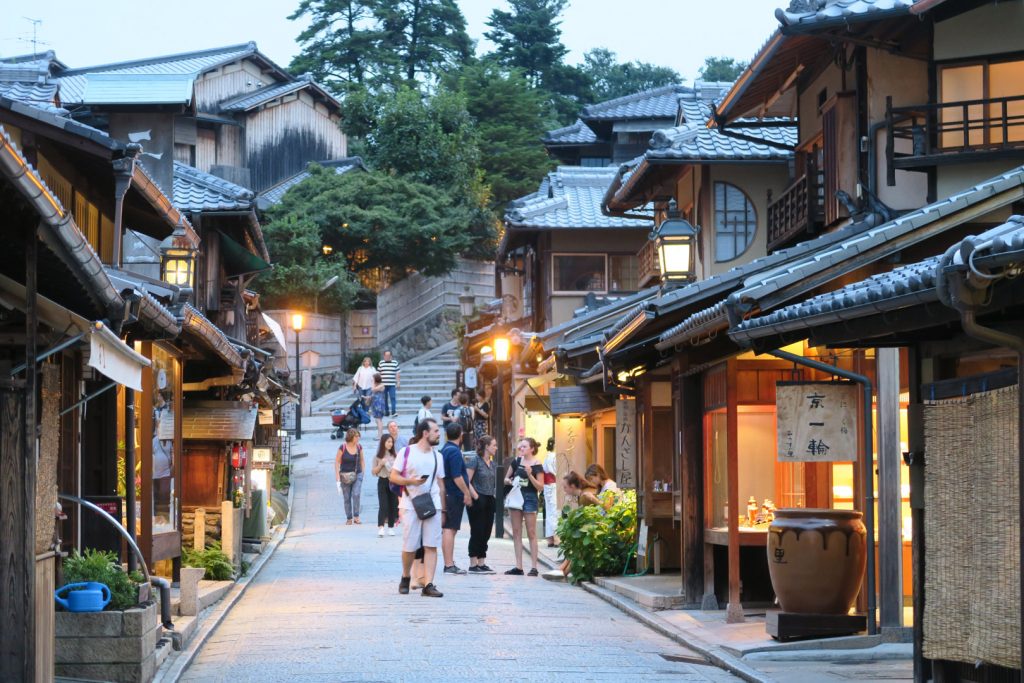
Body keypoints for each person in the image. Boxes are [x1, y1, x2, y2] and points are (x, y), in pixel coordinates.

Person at [389, 418, 445, 598]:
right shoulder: (406, 452)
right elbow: (393, 477)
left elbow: (440, 483)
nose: (439, 434)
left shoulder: (438, 456)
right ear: (425, 433)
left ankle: (428, 584)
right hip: (410, 503)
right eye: (436, 431)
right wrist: (411, 481)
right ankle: (406, 576)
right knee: (410, 545)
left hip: (432, 503)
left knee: (431, 545)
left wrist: (443, 508)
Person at [503, 437, 545, 576]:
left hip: (530, 498)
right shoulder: (516, 461)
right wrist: (509, 481)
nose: (521, 449)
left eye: (524, 447)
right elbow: (506, 478)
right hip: (516, 497)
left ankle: (534, 567)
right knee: (516, 532)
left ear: (532, 449)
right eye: (520, 447)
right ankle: (519, 566)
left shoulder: (537, 464)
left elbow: (540, 487)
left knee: (531, 532)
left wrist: (529, 475)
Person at [440, 423, 478, 575]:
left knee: (448, 529)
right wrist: (467, 493)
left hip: (448, 493)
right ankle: (449, 564)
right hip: (454, 493)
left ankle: (448, 563)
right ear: (461, 435)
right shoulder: (455, 452)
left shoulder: (444, 449)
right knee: (450, 529)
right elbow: (457, 476)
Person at [555, 471, 602, 578]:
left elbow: (589, 518)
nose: (564, 490)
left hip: (595, 528)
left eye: (565, 487)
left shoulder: (584, 496)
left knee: (577, 540)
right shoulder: (582, 495)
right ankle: (562, 569)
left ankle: (563, 571)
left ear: (572, 486)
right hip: (592, 527)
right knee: (575, 539)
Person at [466, 435, 497, 574]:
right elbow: (467, 481)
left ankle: (482, 561)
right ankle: (473, 563)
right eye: (494, 445)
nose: (496, 448)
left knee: (487, 531)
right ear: (486, 446)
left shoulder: (493, 464)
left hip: (490, 498)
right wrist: (476, 497)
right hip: (478, 498)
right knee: (477, 530)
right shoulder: (475, 461)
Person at [335, 428, 364, 525]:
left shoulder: (359, 447)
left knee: (356, 494)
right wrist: (337, 478)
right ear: (351, 437)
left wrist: (362, 473)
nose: (358, 438)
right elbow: (337, 462)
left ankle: (356, 516)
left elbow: (362, 460)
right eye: (356, 436)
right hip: (344, 475)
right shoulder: (342, 447)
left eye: (358, 436)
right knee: (347, 497)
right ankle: (349, 517)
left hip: (357, 474)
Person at [372, 434, 399, 537]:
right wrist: (380, 464)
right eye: (388, 442)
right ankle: (381, 527)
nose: (390, 444)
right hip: (382, 481)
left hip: (393, 481)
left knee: (393, 505)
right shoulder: (377, 456)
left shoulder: (395, 456)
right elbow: (373, 472)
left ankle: (391, 527)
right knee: (383, 505)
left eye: (391, 442)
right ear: (383, 442)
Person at [543, 437, 558, 547]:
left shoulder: (548, 456)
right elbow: (557, 472)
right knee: (554, 511)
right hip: (553, 485)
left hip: (548, 485)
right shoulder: (554, 457)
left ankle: (550, 538)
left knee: (550, 511)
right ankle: (556, 538)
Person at [377, 350, 400, 417]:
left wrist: (398, 382)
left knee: (393, 398)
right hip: (383, 384)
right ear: (384, 356)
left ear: (391, 356)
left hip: (392, 384)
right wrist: (378, 384)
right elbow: (378, 373)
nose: (387, 356)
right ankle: (386, 412)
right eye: (386, 355)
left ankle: (393, 412)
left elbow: (397, 373)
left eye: (388, 355)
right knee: (385, 399)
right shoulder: (381, 363)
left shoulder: (395, 363)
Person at [369, 372, 386, 439]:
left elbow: (373, 389)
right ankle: (380, 434)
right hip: (375, 403)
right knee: (377, 420)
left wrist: (373, 382)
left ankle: (380, 435)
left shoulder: (381, 385)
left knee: (378, 420)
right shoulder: (376, 385)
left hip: (379, 404)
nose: (372, 380)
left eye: (373, 379)